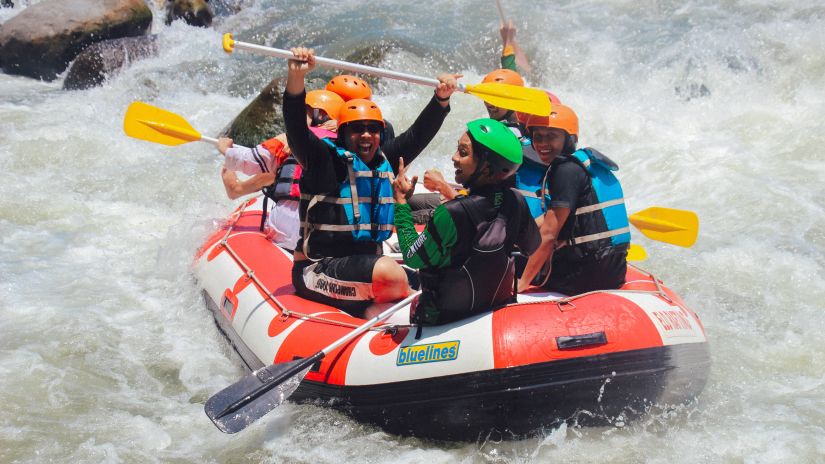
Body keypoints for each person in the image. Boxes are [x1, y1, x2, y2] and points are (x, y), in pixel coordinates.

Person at [283, 46, 459, 314]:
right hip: (319, 269)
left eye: (373, 129)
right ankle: (406, 304)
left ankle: (380, 309)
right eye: (357, 129)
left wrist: (441, 100)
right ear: (342, 133)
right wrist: (296, 78)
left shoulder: (383, 160)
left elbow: (417, 135)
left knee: (443, 279)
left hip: (366, 266)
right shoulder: (322, 161)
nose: (366, 135)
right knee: (390, 273)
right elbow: (295, 127)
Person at [393, 118, 540, 325]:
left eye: (463, 153)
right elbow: (532, 246)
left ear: (487, 169)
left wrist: (401, 203)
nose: (454, 158)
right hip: (495, 306)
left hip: (447, 317)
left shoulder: (450, 212)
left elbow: (412, 256)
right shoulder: (515, 200)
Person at [517, 104, 630, 295]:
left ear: (569, 139)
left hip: (583, 276)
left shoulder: (564, 170)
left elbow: (549, 235)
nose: (542, 143)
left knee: (510, 261)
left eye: (551, 136)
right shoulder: (587, 164)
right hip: (615, 271)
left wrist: (522, 285)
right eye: (538, 136)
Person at [217, 89, 345, 250]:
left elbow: (248, 160)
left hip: (284, 226)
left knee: (276, 165)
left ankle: (236, 188)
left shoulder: (287, 139)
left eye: (304, 111)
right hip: (328, 232)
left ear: (319, 115)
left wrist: (225, 149)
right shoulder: (351, 144)